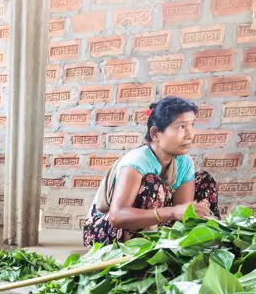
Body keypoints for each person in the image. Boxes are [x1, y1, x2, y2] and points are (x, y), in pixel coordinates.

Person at [83, 96, 221, 247]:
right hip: (106, 231)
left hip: (155, 223)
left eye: (191, 125)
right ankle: (137, 251)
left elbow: (183, 211)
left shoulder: (184, 161)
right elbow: (117, 216)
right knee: (151, 182)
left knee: (203, 180)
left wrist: (191, 214)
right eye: (181, 127)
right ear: (155, 133)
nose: (190, 134)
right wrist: (173, 212)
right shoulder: (138, 161)